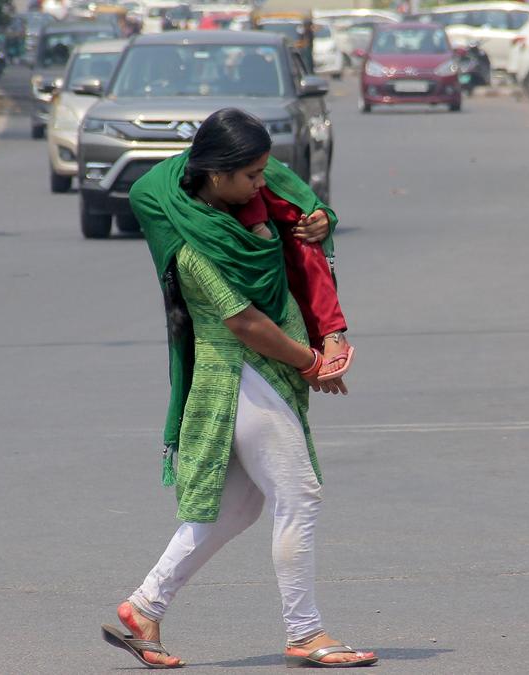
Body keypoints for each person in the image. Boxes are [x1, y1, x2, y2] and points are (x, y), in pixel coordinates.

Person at [101, 108, 371, 669]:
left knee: (239, 506)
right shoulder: (193, 240)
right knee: (299, 495)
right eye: (250, 174)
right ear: (215, 172)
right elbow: (243, 321)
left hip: (257, 372)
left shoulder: (241, 208)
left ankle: (144, 607)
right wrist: (311, 363)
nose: (260, 183)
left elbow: (302, 216)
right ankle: (306, 632)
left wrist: (319, 219)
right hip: (239, 374)